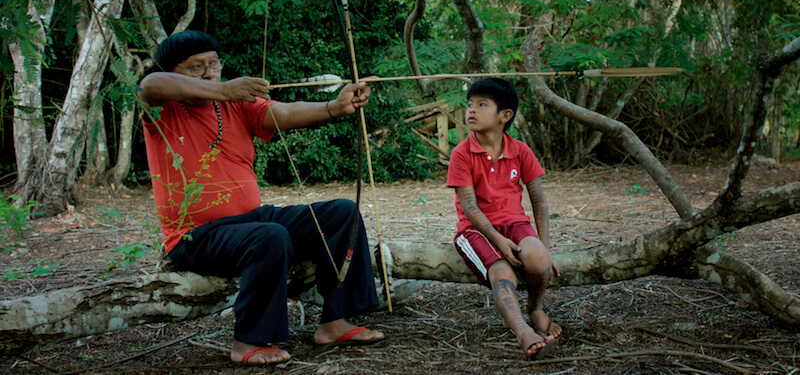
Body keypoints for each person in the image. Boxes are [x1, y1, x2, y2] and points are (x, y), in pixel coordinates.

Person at [138, 30, 385, 366]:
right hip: (195, 236)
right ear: (174, 71)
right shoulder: (162, 110)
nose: (210, 72)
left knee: (342, 214)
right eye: (197, 67)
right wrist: (224, 89)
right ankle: (249, 341)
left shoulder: (234, 105)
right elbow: (150, 84)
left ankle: (335, 322)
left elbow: (282, 113)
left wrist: (334, 107)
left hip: (251, 221)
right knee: (270, 237)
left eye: (214, 63)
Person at [446, 78, 562, 359]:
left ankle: (536, 309)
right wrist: (498, 240)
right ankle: (523, 331)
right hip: (475, 230)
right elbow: (470, 208)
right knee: (502, 273)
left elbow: (539, 200)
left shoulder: (520, 150)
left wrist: (544, 246)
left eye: (482, 104)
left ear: (505, 115)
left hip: (514, 223)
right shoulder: (462, 153)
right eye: (470, 104)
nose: (471, 110)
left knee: (537, 257)